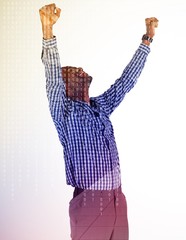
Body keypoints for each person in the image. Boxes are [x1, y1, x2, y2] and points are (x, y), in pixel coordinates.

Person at [39, 3, 158, 240]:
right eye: (73, 71)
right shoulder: (64, 111)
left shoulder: (100, 106)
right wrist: (47, 32)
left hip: (117, 199)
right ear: (65, 85)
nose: (81, 70)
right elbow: (52, 76)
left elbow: (126, 81)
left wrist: (147, 40)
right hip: (91, 201)